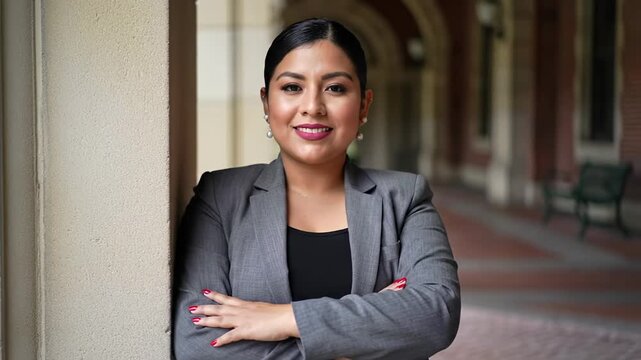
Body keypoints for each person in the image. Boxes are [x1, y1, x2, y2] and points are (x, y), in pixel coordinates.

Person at [173, 18, 460, 360]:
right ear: (266, 102)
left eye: (335, 88)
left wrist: (285, 318)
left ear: (364, 105)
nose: (313, 106)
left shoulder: (404, 198)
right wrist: (358, 338)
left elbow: (435, 314)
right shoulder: (221, 196)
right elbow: (197, 344)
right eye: (292, 87)